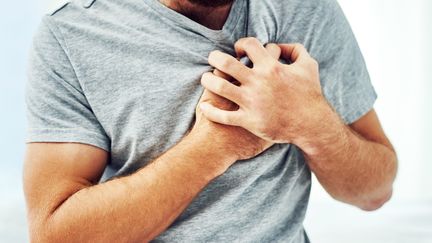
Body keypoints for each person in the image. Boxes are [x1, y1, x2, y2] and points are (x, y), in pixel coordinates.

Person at [23, 0, 397, 242]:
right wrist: (215, 146)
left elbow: (375, 191)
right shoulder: (71, 35)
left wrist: (311, 124)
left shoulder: (304, 9)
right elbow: (55, 233)